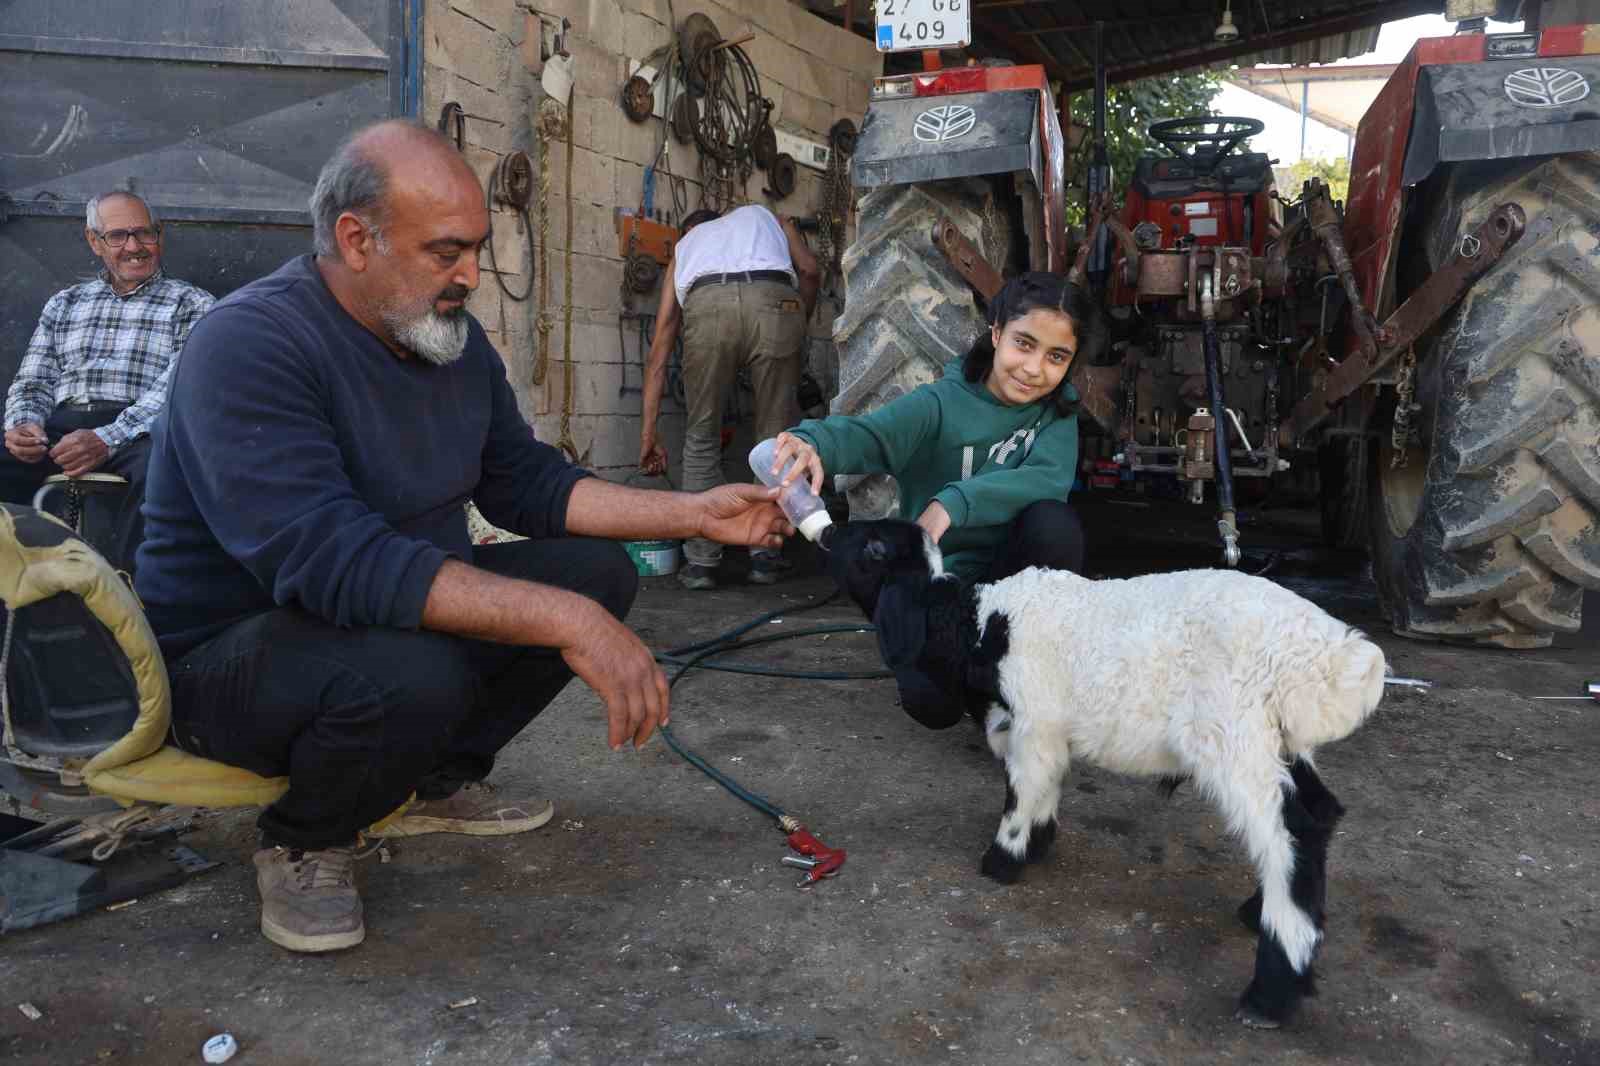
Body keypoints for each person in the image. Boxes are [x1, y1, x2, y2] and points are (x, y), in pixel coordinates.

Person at [134, 120, 791, 954]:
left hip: (364, 621)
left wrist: (694, 513)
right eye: (446, 252)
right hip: (224, 660)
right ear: (355, 239)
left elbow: (528, 483)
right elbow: (333, 561)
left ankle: (426, 784)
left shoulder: (446, 339)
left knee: (592, 575)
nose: (472, 276)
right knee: (424, 668)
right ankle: (306, 835)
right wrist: (567, 625)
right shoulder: (250, 344)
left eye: (477, 249)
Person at [769, 272, 1092, 585]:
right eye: (1023, 343)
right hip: (940, 578)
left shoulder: (1058, 406)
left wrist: (951, 504)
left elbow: (1048, 480)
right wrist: (810, 441)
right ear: (996, 333)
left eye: (1056, 357)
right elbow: (870, 436)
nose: (1034, 368)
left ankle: (1033, 638)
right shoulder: (939, 404)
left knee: (1056, 526)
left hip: (1011, 584)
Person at [2, 191, 214, 572]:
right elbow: (33, 380)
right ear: (94, 241)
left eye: (144, 234)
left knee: (165, 465)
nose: (133, 247)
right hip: (61, 424)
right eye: (118, 236)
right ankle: (18, 600)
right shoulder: (65, 303)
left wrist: (106, 438)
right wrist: (23, 424)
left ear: (160, 235)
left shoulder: (192, 304)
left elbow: (177, 390)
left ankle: (136, 596)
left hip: (141, 429)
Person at [637, 203, 821, 590]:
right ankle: (766, 557)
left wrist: (648, 434)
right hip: (776, 301)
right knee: (776, 442)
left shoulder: (687, 246)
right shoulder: (764, 215)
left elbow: (659, 348)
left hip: (708, 308)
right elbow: (809, 270)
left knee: (701, 437)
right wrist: (796, 326)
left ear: (691, 228)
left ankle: (701, 563)